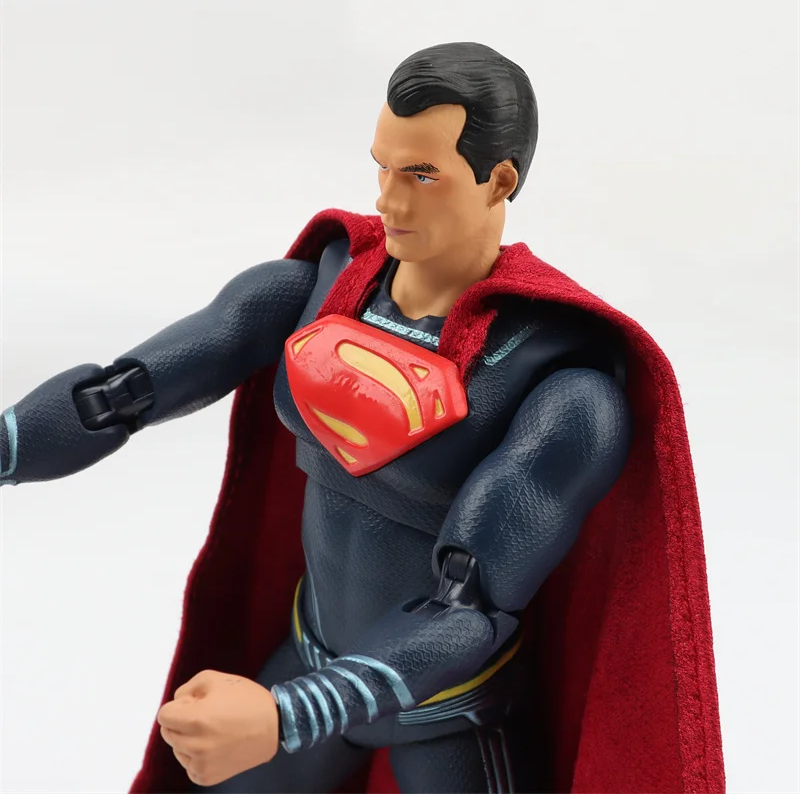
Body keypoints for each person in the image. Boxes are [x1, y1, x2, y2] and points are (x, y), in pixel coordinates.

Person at [1, 43, 724, 793]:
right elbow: (117, 396)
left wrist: (289, 715)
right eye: (383, 167)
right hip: (310, 656)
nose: (390, 202)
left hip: (443, 714)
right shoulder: (325, 289)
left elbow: (468, 610)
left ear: (500, 180)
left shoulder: (556, 386)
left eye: (422, 175)